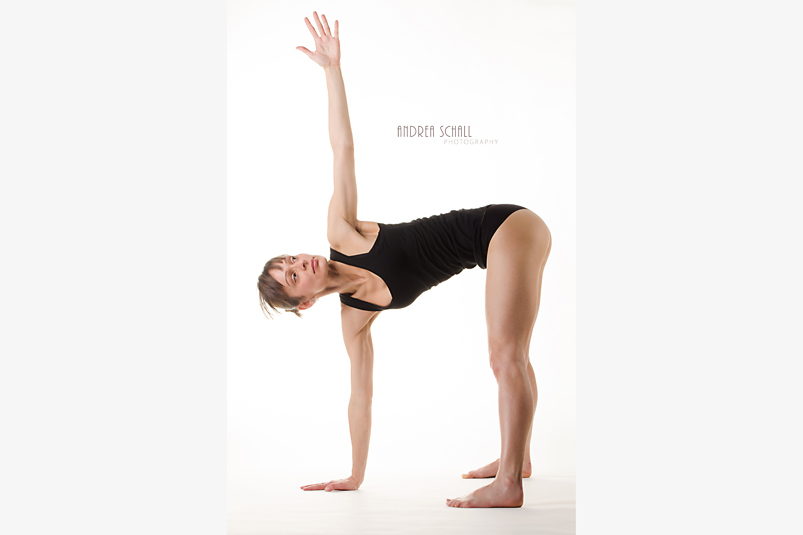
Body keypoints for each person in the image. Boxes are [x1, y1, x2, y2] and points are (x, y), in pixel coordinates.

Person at [257, 12, 552, 508]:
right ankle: (517, 460)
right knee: (511, 355)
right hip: (496, 248)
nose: (300, 262)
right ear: (304, 303)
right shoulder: (354, 319)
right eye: (291, 275)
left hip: (504, 226)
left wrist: (332, 70)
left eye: (291, 257)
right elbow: (360, 397)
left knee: (505, 355)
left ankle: (508, 484)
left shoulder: (341, 232)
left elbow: (342, 148)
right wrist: (355, 475)